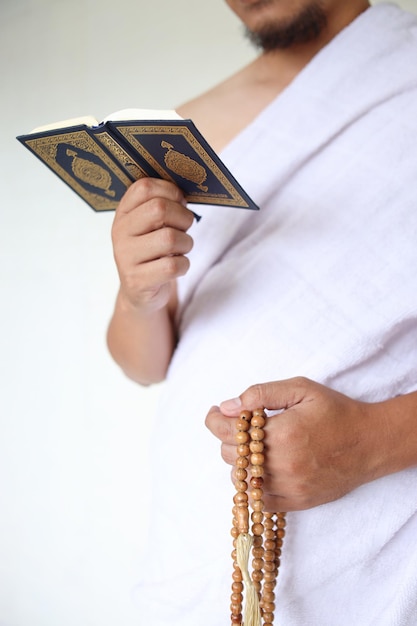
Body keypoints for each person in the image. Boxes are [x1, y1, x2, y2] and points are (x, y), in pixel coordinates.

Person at [107, 0, 417, 624]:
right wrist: (139, 293)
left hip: (381, 559)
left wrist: (376, 440)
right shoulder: (190, 126)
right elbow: (142, 364)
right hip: (197, 552)